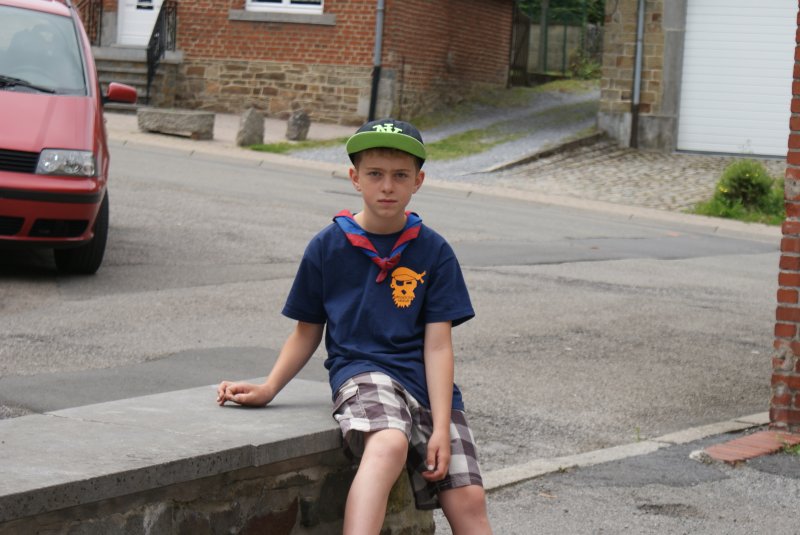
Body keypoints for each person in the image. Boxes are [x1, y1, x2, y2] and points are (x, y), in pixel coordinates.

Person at [217, 118, 492, 535]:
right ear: (355, 178)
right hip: (363, 372)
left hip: (425, 385)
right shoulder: (326, 246)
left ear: (418, 181)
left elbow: (438, 346)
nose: (387, 186)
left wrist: (440, 426)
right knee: (388, 443)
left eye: (400, 176)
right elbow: (306, 332)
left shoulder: (434, 251)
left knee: (469, 499)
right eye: (375, 174)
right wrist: (269, 388)